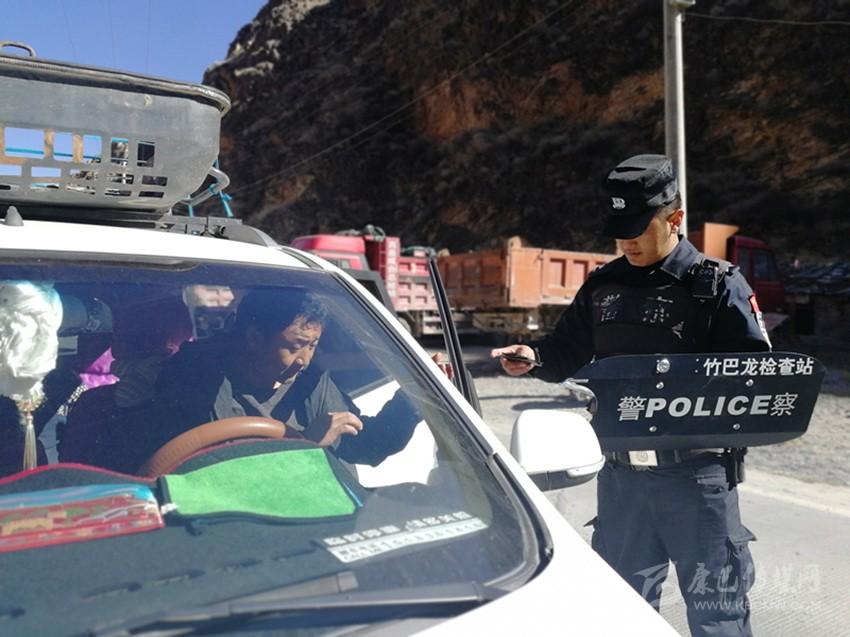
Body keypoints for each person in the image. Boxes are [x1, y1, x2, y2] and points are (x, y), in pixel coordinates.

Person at [491, 154, 771, 637]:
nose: (626, 242)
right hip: (621, 481)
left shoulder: (717, 284)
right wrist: (532, 357)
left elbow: (756, 378)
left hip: (697, 481)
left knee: (718, 615)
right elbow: (564, 351)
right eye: (619, 232)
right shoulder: (604, 286)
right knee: (619, 614)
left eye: (638, 229)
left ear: (674, 218)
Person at [145, 288, 425, 471]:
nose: (304, 360)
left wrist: (413, 399)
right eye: (295, 346)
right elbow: (199, 474)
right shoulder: (194, 379)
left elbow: (366, 446)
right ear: (254, 338)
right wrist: (304, 445)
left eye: (313, 345)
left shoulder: (309, 382)